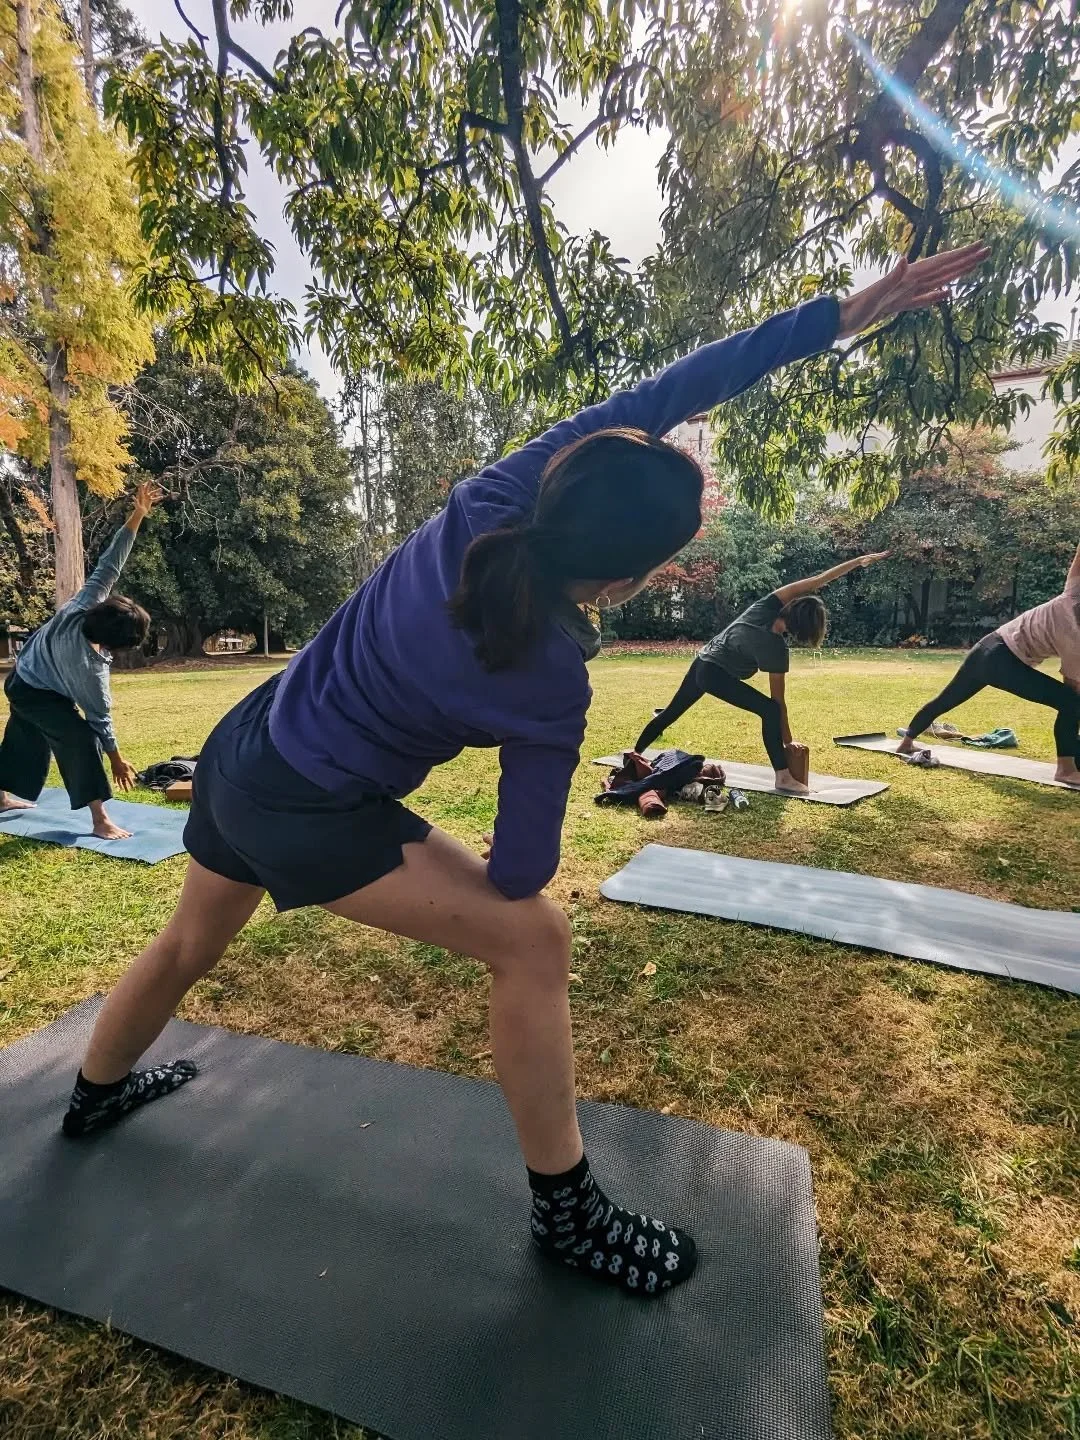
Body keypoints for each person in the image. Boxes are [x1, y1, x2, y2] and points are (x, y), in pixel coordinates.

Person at [58, 245, 988, 1300]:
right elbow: (522, 875)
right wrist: (502, 854)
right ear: (632, 580)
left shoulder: (491, 496)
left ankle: (92, 1095)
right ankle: (568, 1211)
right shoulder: (551, 676)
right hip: (305, 802)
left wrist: (844, 312)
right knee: (534, 940)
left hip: (245, 743)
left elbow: (680, 383)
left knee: (188, 940)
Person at [633, 552, 890, 792]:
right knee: (768, 710)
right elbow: (778, 703)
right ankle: (783, 776)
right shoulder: (777, 650)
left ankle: (634, 756)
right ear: (804, 630)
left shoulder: (766, 606)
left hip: (702, 661)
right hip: (713, 673)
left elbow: (819, 580)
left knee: (670, 713)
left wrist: (859, 561)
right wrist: (788, 740)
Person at [0, 482, 159, 840]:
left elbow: (111, 563)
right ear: (112, 644)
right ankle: (100, 820)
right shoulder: (88, 668)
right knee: (80, 740)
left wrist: (138, 513)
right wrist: (116, 759)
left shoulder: (85, 603)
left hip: (23, 677)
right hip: (34, 690)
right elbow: (99, 719)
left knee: (23, 739)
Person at [897, 538, 1080, 785]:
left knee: (947, 698)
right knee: (1070, 702)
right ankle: (1066, 769)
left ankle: (906, 741)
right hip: (1004, 660)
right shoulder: (1075, 637)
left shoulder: (1072, 593)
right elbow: (1072, 688)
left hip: (987, 646)